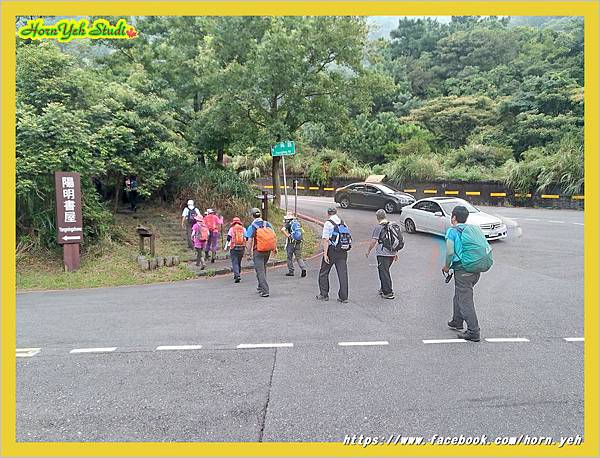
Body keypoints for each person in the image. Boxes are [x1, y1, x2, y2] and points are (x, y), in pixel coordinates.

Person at [443, 205, 481, 342]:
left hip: (463, 270)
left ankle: (473, 331)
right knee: (459, 294)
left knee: (465, 300)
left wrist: (446, 266)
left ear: (453, 217)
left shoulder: (452, 231)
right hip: (476, 269)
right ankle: (457, 321)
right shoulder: (472, 229)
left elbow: (449, 252)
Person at [365, 209, 403, 300]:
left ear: (377, 217)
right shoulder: (392, 225)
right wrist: (396, 253)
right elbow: (394, 240)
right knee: (385, 270)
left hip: (383, 253)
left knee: (384, 272)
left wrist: (368, 250)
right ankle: (383, 288)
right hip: (392, 253)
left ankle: (388, 292)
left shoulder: (379, 227)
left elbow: (374, 241)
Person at [316, 207, 350, 303]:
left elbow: (326, 240)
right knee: (342, 274)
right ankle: (344, 297)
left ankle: (324, 294)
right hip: (343, 250)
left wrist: (325, 254)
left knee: (324, 272)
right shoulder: (342, 222)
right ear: (336, 213)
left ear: (328, 213)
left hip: (332, 251)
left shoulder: (328, 223)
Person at [246, 208, 278, 297]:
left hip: (258, 251)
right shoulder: (268, 224)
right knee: (263, 269)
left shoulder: (252, 226)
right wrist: (274, 248)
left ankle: (265, 290)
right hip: (267, 250)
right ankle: (260, 287)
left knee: (260, 271)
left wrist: (248, 253)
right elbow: (273, 237)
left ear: (252, 216)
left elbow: (249, 241)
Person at [281, 212, 307, 278]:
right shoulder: (298, 222)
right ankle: (303, 268)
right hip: (298, 242)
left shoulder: (288, 224)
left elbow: (282, 230)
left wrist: (288, 236)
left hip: (291, 242)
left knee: (289, 257)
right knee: (298, 257)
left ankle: (291, 271)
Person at [227, 217, 246, 283]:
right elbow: (246, 237)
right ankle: (238, 273)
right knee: (239, 261)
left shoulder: (231, 229)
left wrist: (226, 246)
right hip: (242, 247)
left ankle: (237, 275)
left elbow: (228, 238)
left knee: (234, 262)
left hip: (234, 247)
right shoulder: (243, 229)